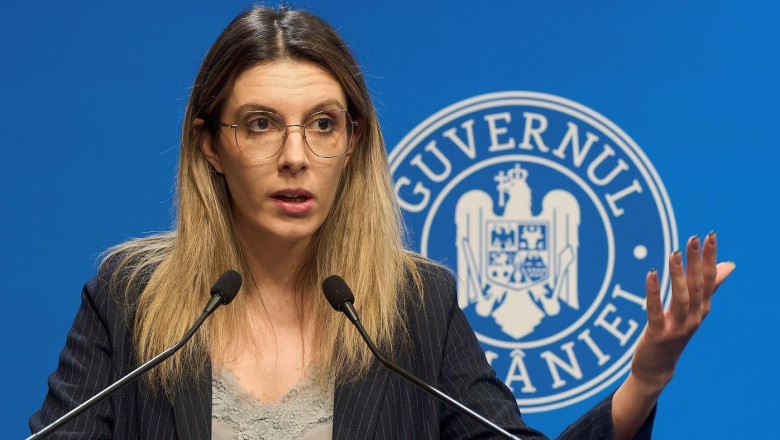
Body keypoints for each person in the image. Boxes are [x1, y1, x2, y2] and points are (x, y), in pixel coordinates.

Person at [29, 5, 734, 440]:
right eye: (261, 124)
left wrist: (645, 380)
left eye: (323, 124)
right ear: (210, 144)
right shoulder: (129, 297)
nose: (296, 157)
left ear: (353, 142)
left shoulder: (415, 306)